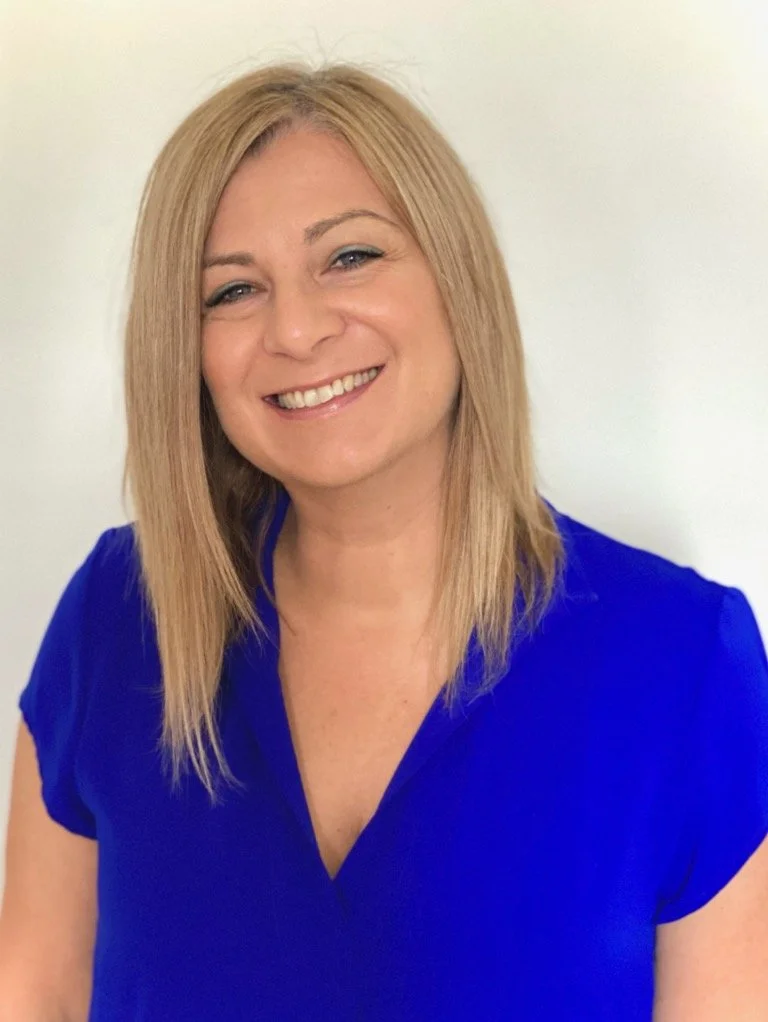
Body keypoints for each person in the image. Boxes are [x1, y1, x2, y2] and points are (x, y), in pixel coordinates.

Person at [1, 60, 767, 1022]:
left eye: (350, 258)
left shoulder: (681, 659)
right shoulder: (117, 617)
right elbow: (33, 993)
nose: (297, 328)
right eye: (231, 292)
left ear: (458, 280)